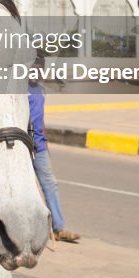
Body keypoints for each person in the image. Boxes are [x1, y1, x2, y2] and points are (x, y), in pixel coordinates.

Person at [29, 55, 80, 243]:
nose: (35, 71)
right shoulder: (19, 91)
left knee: (50, 183)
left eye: (38, 68)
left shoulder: (40, 90)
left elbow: (39, 119)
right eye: (32, 67)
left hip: (40, 147)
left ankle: (58, 228)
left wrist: (45, 141)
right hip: (23, 147)